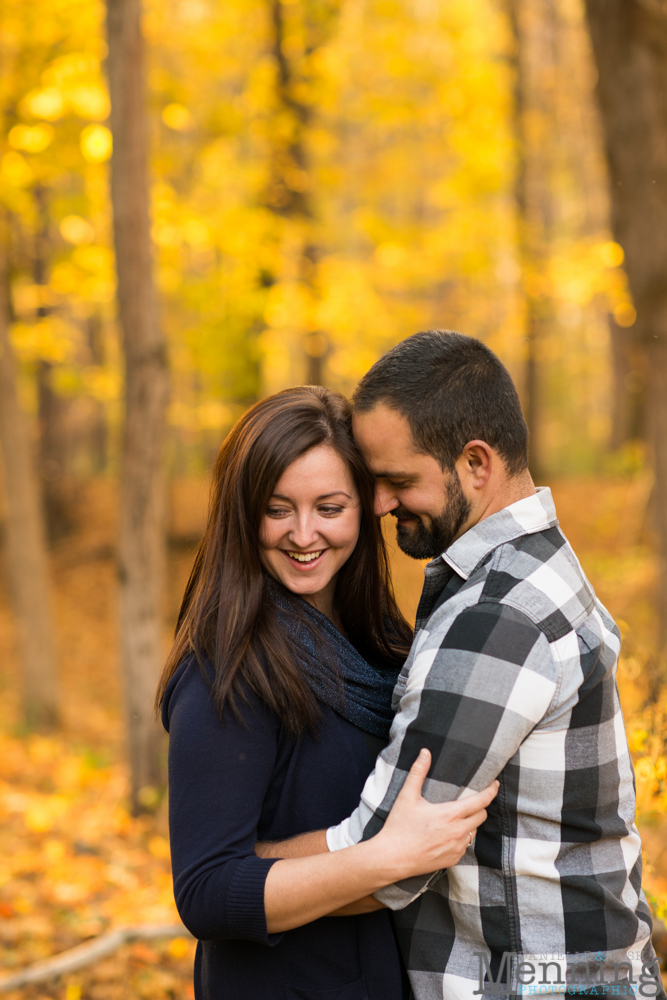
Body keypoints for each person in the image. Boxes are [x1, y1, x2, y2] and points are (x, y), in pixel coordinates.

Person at [263, 332, 665, 1000]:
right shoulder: (544, 567)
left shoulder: (496, 619)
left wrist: (229, 876)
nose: (381, 505)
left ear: (474, 464)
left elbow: (382, 861)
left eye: (398, 481)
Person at [156, 385, 497, 1000]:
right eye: (277, 508)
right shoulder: (227, 671)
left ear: (366, 509)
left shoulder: (382, 643)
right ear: (242, 511)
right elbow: (205, 891)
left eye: (329, 508)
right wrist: (382, 859)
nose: (303, 534)